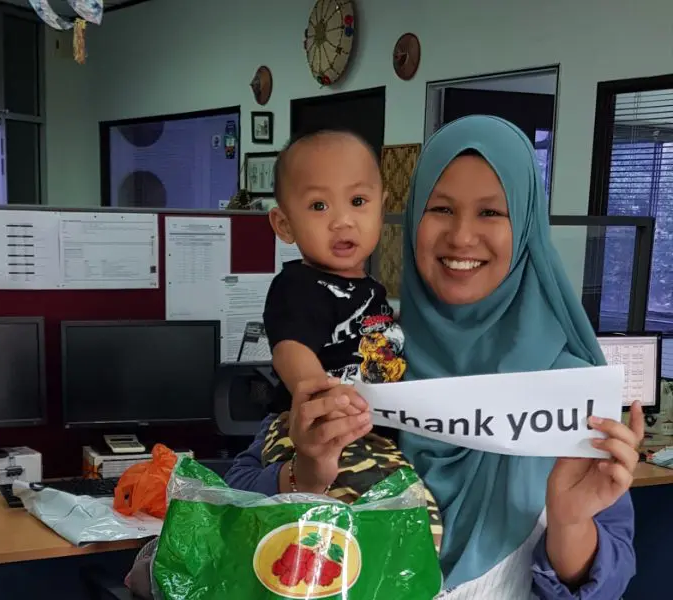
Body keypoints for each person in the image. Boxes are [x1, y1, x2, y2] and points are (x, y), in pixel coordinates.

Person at [226, 115, 642, 599]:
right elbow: (232, 506)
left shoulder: (569, 391)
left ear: (527, 226)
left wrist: (569, 524)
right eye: (441, 208)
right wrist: (305, 473)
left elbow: (606, 586)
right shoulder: (373, 353)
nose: (462, 236)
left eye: (491, 212)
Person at [258, 129, 443, 544]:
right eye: (319, 205)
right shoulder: (298, 286)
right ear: (284, 224)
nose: (342, 220)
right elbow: (290, 349)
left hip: (365, 430)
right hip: (310, 427)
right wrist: (319, 396)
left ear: (381, 207)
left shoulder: (373, 291)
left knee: (404, 523)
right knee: (411, 527)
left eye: (358, 201)